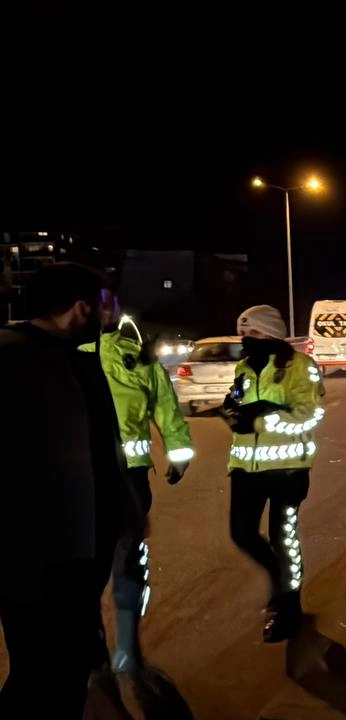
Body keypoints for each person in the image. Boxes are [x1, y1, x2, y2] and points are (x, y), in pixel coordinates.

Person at [0, 263, 126, 717]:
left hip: (70, 552)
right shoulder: (22, 360)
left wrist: (128, 510)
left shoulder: (72, 359)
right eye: (106, 305)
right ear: (82, 308)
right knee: (46, 673)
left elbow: (101, 453)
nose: (112, 315)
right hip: (41, 557)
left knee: (58, 666)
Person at [79, 313, 194, 675]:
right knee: (116, 562)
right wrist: (178, 454)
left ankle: (108, 651)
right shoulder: (128, 355)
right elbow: (166, 406)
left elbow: (165, 405)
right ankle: (117, 650)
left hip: (101, 478)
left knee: (99, 566)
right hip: (113, 477)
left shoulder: (76, 355)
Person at [223, 305, 324, 642]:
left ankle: (289, 609)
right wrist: (232, 408)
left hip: (287, 469)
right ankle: (278, 580)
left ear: (272, 334)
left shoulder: (301, 366)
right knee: (241, 533)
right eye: (243, 333)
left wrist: (262, 417)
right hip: (246, 468)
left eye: (252, 333)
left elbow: (310, 415)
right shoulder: (243, 367)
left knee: (284, 539)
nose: (245, 339)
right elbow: (239, 400)